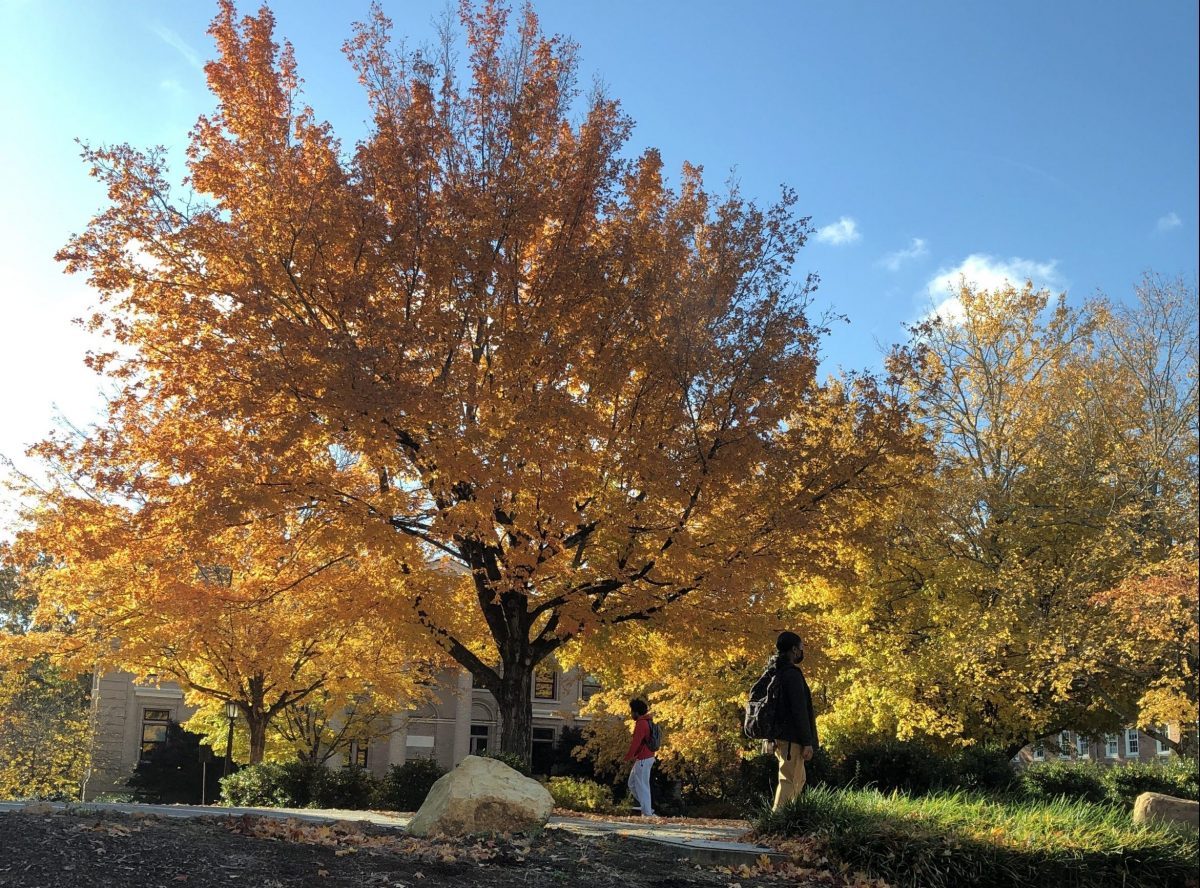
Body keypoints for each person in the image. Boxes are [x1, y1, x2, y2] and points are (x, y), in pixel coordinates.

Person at [765, 630, 818, 811]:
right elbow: (800, 710)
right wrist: (807, 741)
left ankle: (789, 817)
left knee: (798, 778)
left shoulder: (773, 672)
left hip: (780, 735)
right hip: (792, 738)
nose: (802, 651)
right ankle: (777, 822)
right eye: (801, 648)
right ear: (794, 650)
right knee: (789, 780)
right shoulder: (792, 675)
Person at [623, 697, 656, 817]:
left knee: (642, 785)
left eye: (632, 711)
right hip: (644, 758)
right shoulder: (647, 721)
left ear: (636, 712)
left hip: (644, 758)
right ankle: (646, 807)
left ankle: (647, 813)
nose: (631, 714)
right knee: (632, 783)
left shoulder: (641, 723)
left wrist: (627, 757)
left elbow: (636, 742)